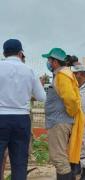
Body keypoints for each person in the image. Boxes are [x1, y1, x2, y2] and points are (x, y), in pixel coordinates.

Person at [0, 39, 46, 180]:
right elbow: (41, 97)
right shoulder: (29, 71)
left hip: (1, 117)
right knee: (19, 162)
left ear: (4, 53)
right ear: (20, 53)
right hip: (21, 120)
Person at [42, 48, 85, 180]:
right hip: (60, 121)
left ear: (55, 61)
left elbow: (71, 99)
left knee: (59, 158)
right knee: (62, 157)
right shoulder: (63, 75)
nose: (48, 62)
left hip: (59, 122)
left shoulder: (62, 76)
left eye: (49, 60)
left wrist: (70, 113)